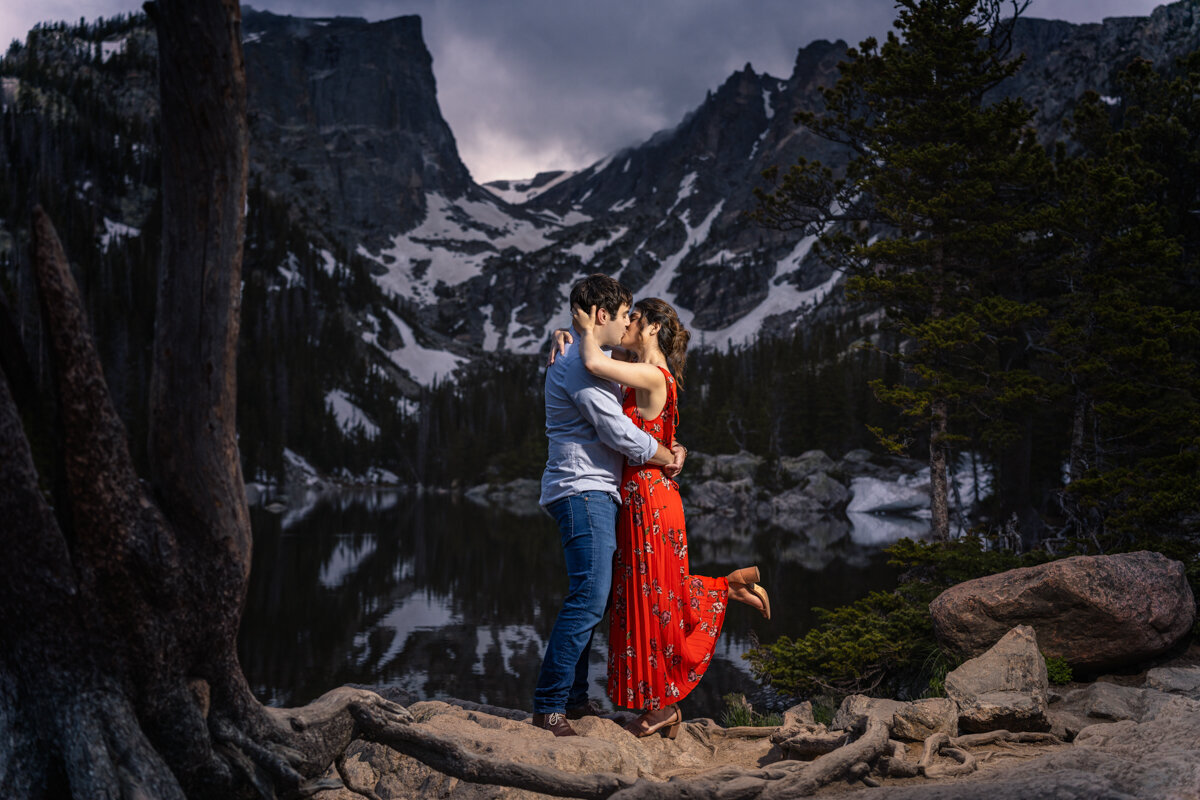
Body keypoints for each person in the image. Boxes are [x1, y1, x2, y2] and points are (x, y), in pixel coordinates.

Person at [569, 297, 770, 740]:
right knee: (653, 593)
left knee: (652, 598)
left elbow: (592, 360)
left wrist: (582, 327)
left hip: (648, 498)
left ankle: (663, 707)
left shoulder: (649, 372)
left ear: (654, 327)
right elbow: (603, 357)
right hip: (649, 495)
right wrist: (561, 337)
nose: (627, 325)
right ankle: (726, 588)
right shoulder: (647, 367)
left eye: (634, 318)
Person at [533, 274, 686, 737]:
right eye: (623, 316)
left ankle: (573, 701)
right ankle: (550, 706)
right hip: (583, 489)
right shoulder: (581, 365)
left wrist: (567, 334)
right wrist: (667, 456)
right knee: (588, 598)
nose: (626, 326)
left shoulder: (590, 357)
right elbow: (615, 432)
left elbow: (626, 388)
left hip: (596, 490)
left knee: (590, 597)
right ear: (602, 316)